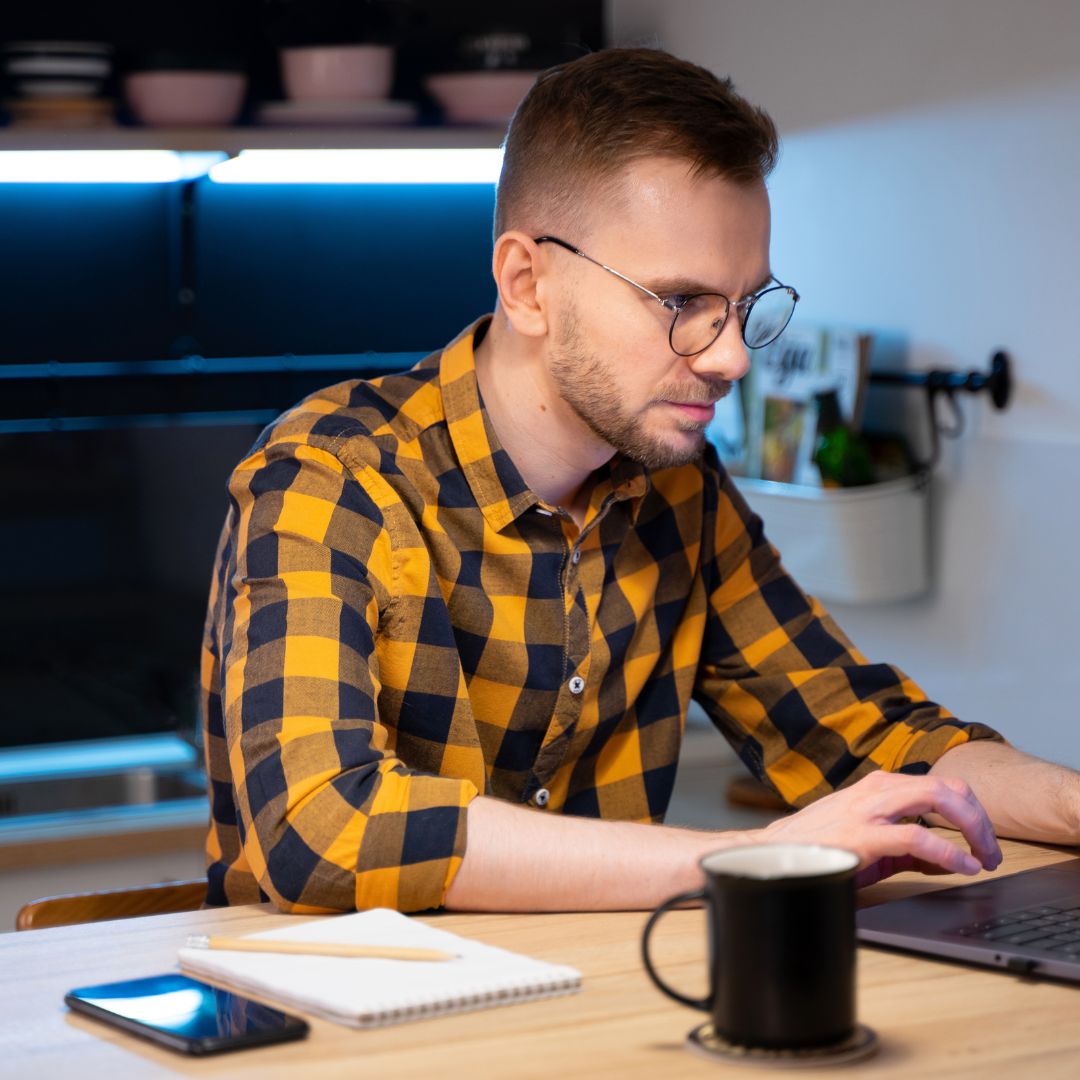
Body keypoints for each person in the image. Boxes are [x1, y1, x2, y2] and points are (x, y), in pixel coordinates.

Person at [199, 47, 1076, 916]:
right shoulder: (330, 477)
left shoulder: (679, 490)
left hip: (595, 1023)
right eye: (679, 304)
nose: (730, 356)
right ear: (526, 283)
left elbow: (874, 738)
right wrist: (755, 859)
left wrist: (1069, 803)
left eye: (744, 309)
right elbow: (318, 826)